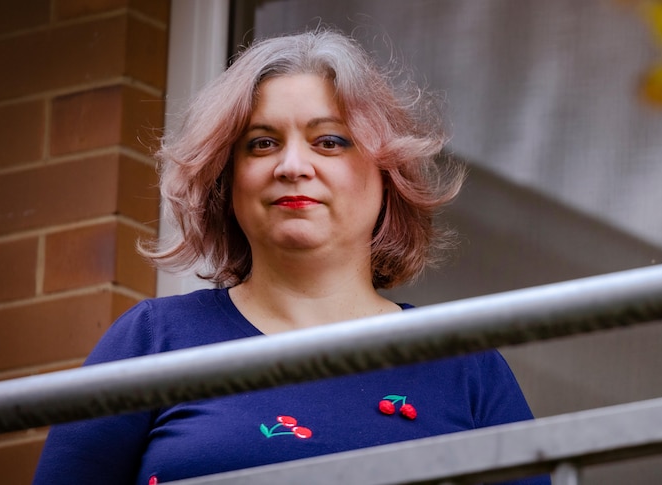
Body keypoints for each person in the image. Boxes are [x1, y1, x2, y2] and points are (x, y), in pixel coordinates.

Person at [33, 29, 547, 485]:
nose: (293, 165)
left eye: (329, 141)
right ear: (226, 181)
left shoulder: (462, 367)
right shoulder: (152, 341)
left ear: (387, 175)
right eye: (261, 144)